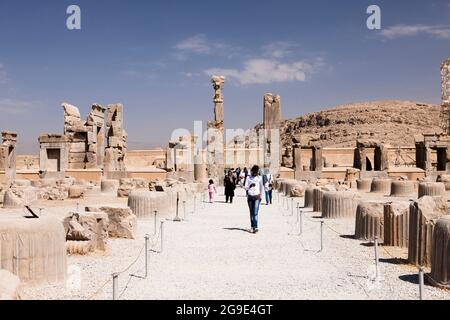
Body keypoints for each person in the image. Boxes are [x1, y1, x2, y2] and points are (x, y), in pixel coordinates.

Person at [244, 165, 264, 233]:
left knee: (255, 212)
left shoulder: (260, 178)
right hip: (250, 196)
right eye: (254, 172)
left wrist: (261, 196)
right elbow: (245, 187)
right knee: (251, 213)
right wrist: (250, 185)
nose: (255, 173)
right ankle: (252, 226)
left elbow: (262, 187)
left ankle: (255, 227)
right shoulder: (248, 178)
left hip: (257, 196)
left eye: (256, 172)